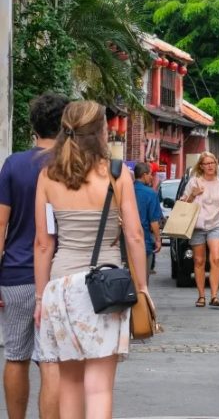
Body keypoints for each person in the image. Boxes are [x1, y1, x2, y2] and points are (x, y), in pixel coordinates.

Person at [33, 100, 150, 418]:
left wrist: (40, 297)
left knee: (69, 382)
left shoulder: (48, 176)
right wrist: (142, 286)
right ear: (101, 132)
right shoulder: (116, 174)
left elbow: (43, 244)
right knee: (99, 387)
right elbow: (135, 235)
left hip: (60, 287)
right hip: (105, 289)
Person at [0, 93, 66, 419]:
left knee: (16, 355)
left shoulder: (13, 165)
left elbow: (1, 224)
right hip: (59, 275)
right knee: (52, 361)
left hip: (15, 274)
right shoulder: (71, 166)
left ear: (33, 126)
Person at [181, 152, 219, 307]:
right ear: (201, 166)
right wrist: (193, 195)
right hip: (197, 225)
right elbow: (184, 204)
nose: (210, 166)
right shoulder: (194, 182)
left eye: (212, 163)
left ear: (216, 164)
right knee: (199, 260)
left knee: (215, 258)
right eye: (206, 163)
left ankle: (214, 296)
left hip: (216, 224)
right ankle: (201, 296)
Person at [133, 163, 163, 276]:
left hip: (125, 242)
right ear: (144, 175)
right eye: (151, 174)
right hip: (144, 240)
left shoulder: (126, 190)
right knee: (143, 278)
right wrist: (158, 240)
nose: (151, 177)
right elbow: (154, 221)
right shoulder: (150, 193)